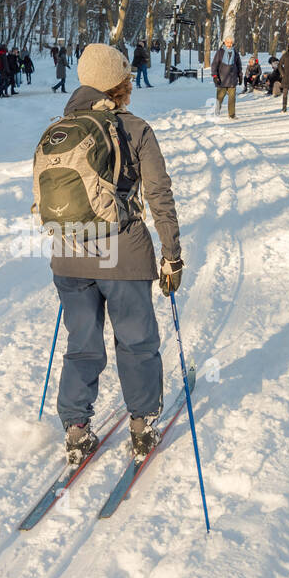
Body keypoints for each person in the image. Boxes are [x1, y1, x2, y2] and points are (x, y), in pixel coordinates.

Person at [49, 43, 184, 465]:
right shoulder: (136, 128)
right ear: (118, 84)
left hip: (68, 253)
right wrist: (171, 255)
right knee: (136, 342)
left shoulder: (60, 128)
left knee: (82, 343)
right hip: (122, 254)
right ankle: (142, 426)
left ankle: (75, 428)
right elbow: (159, 194)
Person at [210, 36, 242, 118]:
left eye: (231, 42)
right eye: (228, 42)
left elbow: (238, 64)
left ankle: (232, 114)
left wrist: (240, 75)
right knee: (220, 98)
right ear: (225, 42)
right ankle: (216, 112)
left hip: (232, 78)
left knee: (232, 98)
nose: (229, 44)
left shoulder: (235, 52)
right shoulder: (220, 52)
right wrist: (214, 75)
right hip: (222, 79)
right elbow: (214, 64)